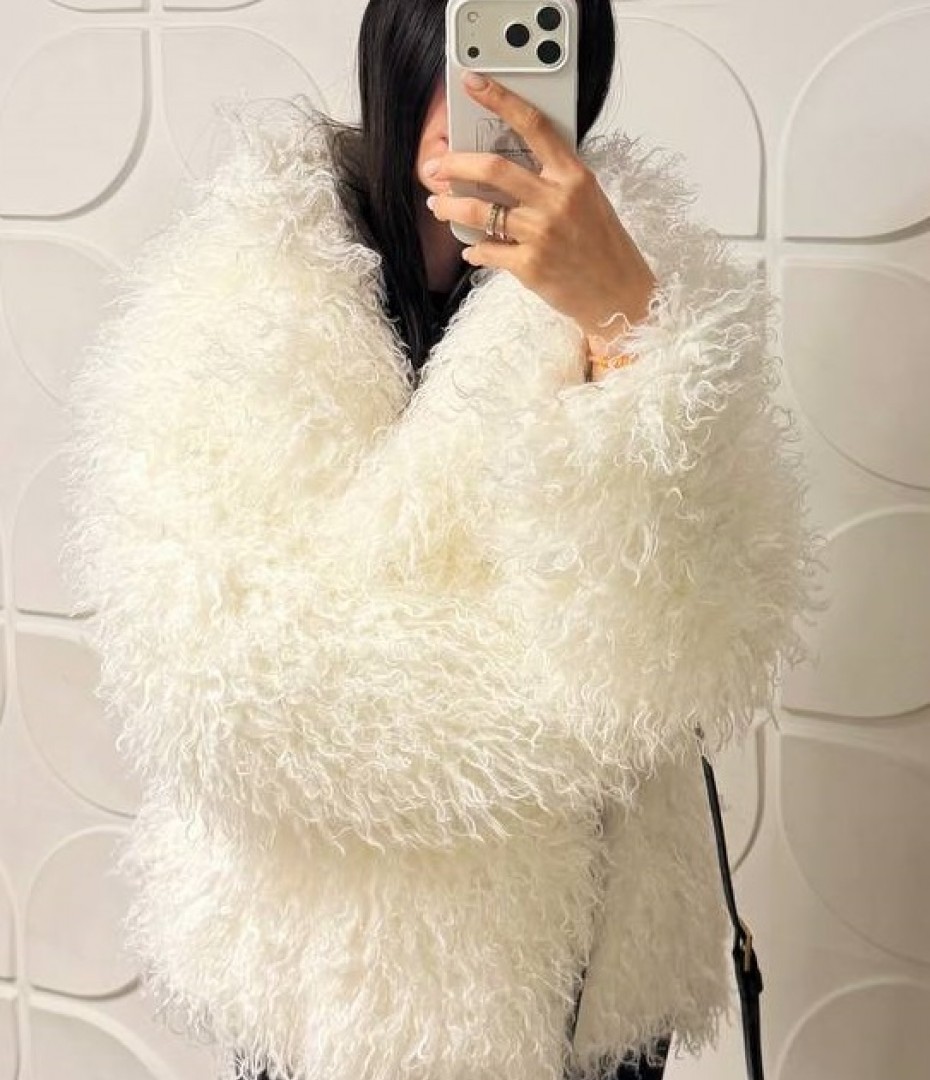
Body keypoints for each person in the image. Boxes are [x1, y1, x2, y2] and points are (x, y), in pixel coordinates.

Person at [60, 2, 821, 1080]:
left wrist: (630, 336)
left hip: (586, 997)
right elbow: (230, 693)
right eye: (465, 42)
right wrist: (580, 714)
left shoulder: (656, 285)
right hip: (329, 992)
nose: (488, 91)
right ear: (402, 42)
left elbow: (701, 647)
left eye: (530, 44)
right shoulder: (233, 299)